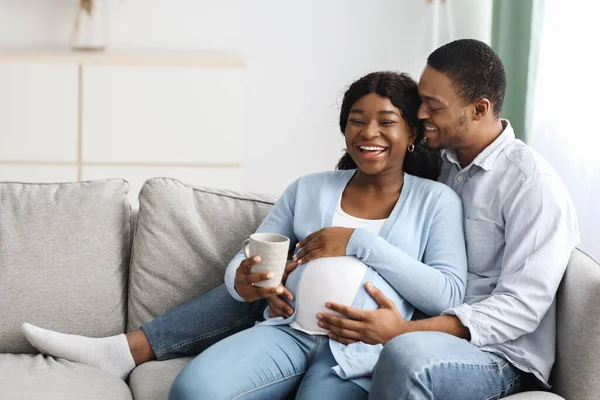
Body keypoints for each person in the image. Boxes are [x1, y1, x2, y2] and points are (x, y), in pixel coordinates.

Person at [22, 38, 580, 399]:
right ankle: (125, 349)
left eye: (422, 110)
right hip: (292, 328)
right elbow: (253, 255)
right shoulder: (449, 167)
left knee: (398, 356)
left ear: (477, 110)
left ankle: (128, 347)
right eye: (358, 121)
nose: (420, 117)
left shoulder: (513, 188)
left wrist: (393, 313)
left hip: (475, 348)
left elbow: (504, 306)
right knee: (201, 380)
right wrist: (250, 280)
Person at [168, 71, 467, 400]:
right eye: (357, 120)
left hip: (361, 352)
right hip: (287, 334)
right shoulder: (308, 188)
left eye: (386, 121)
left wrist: (358, 242)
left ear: (411, 131)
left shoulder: (437, 201)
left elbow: (448, 295)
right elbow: (249, 253)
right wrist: (242, 282)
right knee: (191, 391)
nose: (369, 132)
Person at [316, 39, 580, 399]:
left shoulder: (532, 185)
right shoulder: (436, 163)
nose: (420, 113)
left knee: (407, 356)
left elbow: (519, 309)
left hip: (498, 355)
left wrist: (404, 331)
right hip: (415, 323)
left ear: (479, 109)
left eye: (433, 106)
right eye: (421, 99)